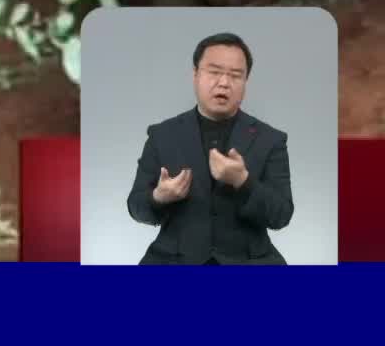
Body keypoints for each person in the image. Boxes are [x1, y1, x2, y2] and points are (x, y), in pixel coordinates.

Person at [126, 32, 295, 264]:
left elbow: (281, 216)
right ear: (195, 74)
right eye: (214, 72)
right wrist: (159, 197)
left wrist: (244, 182)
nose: (224, 82)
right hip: (175, 260)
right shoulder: (162, 135)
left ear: (246, 81)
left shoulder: (271, 140)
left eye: (236, 75)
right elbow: (136, 207)